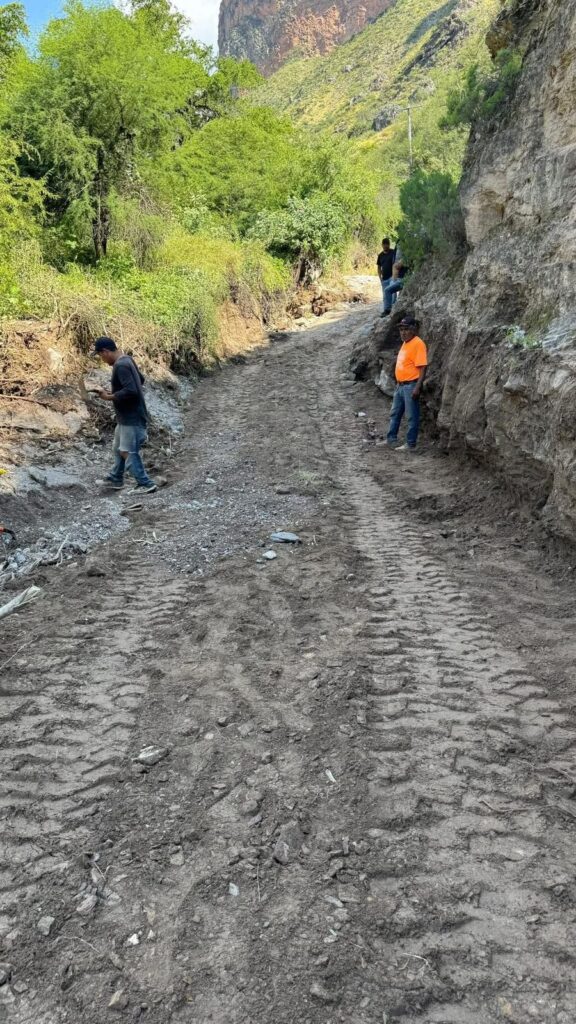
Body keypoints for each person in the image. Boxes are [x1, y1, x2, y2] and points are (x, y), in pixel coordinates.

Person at [92, 336, 157, 493]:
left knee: (126, 451)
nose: (101, 359)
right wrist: (114, 392)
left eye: (100, 355)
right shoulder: (127, 359)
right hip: (126, 416)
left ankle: (145, 484)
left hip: (131, 417)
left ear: (106, 351)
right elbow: (139, 380)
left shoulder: (120, 365)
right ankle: (116, 478)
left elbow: (132, 391)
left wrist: (109, 397)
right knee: (117, 448)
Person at [386, 316, 427, 451]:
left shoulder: (418, 343)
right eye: (401, 329)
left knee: (411, 416)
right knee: (395, 413)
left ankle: (410, 444)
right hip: (401, 385)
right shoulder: (406, 343)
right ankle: (391, 439)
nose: (403, 332)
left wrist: (417, 387)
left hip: (410, 386)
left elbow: (422, 367)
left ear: (413, 330)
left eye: (406, 329)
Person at [382, 243, 409, 315]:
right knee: (390, 291)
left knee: (387, 290)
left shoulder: (406, 258)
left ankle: (388, 310)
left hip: (403, 279)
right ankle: (390, 309)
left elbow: (397, 266)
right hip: (400, 278)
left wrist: (394, 278)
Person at [377, 238, 396, 317]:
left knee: (393, 294)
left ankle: (394, 309)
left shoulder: (393, 252)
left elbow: (395, 263)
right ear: (382, 245)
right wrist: (380, 277)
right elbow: (378, 267)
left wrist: (394, 275)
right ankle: (386, 310)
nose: (385, 246)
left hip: (392, 277)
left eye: (387, 244)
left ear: (389, 244)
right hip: (384, 279)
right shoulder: (380, 255)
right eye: (384, 244)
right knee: (385, 296)